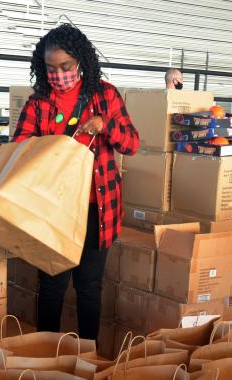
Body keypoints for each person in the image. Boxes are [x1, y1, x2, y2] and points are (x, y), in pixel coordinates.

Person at [14, 24, 139, 341]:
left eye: (66, 67)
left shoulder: (105, 96)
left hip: (98, 208)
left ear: (81, 61)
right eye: (51, 68)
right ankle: (47, 353)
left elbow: (132, 144)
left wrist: (105, 125)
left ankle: (88, 356)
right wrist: (44, 150)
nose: (59, 74)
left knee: (89, 286)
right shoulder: (37, 104)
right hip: (54, 210)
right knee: (52, 284)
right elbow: (18, 151)